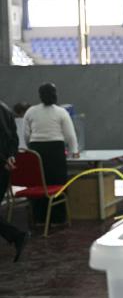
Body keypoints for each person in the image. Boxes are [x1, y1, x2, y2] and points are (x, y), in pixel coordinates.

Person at [23, 83, 79, 222]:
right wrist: (74, 151)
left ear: (40, 95)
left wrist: (30, 147)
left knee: (38, 184)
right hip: (55, 150)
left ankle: (39, 218)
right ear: (55, 95)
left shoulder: (31, 111)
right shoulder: (61, 112)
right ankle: (57, 219)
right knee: (57, 185)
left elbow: (25, 134)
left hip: (36, 150)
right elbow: (70, 135)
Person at [0, 100, 29, 262]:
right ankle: (17, 236)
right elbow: (14, 139)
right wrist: (11, 156)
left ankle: (18, 236)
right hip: (5, 167)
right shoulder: (6, 109)